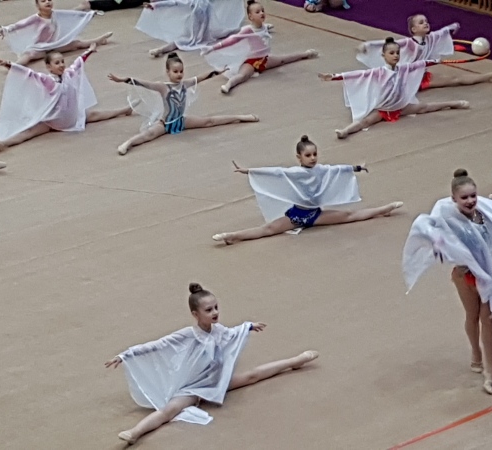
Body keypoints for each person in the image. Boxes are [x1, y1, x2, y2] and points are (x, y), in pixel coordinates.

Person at [106, 282, 318, 444]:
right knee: (169, 411)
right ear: (195, 314)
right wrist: (126, 354)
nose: (215, 313)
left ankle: (296, 361)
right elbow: (158, 345)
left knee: (252, 376)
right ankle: (135, 433)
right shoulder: (187, 334)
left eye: (216, 307)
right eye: (209, 310)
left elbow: (232, 333)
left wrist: (248, 326)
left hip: (216, 380)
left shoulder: (218, 330)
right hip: (193, 387)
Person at [402, 169, 492, 395]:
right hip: (464, 276)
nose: (470, 201)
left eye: (473, 196)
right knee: (472, 317)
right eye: (464, 197)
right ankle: (475, 352)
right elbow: (425, 227)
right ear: (454, 199)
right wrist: (437, 241)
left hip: (488, 276)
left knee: (488, 320)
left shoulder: (486, 209)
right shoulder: (446, 217)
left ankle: (490, 373)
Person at [211, 135, 403, 244]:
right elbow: (275, 172)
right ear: (299, 157)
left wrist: (357, 168)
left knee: (349, 216)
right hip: (296, 216)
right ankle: (231, 236)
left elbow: (337, 169)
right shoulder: (295, 172)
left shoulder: (321, 169)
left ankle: (384, 209)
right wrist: (249, 171)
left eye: (315, 154)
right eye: (308, 155)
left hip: (315, 215)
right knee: (268, 230)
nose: (313, 158)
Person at [0, 44, 133, 152]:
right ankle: (4, 143)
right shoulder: (48, 80)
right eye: (57, 63)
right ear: (49, 67)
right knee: (30, 132)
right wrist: (9, 64)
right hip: (56, 119)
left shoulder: (69, 74)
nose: (61, 65)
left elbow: (79, 62)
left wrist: (89, 51)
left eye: (62, 61)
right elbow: (29, 74)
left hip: (67, 117)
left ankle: (123, 110)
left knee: (95, 114)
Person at [108, 52, 259, 155]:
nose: (179, 74)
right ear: (168, 72)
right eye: (175, 72)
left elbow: (201, 78)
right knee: (149, 134)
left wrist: (217, 72)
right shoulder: (162, 87)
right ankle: (127, 144)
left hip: (181, 120)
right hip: (165, 123)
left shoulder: (185, 84)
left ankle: (241, 117)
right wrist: (123, 80)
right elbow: (142, 83)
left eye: (181, 71)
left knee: (209, 121)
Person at [319, 37, 469, 139]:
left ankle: (454, 103)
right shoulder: (378, 72)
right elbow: (357, 74)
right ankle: (345, 131)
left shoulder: (404, 68)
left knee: (424, 107)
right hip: (384, 107)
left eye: (397, 53)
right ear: (383, 55)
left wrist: (436, 61)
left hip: (399, 105)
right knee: (365, 122)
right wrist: (335, 76)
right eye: (391, 53)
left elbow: (420, 64)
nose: (396, 55)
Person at [356, 15, 492, 90]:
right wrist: (368, 44)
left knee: (456, 80)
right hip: (407, 80)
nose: (426, 23)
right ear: (414, 29)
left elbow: (442, 32)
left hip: (421, 77)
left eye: (426, 21)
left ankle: (488, 76)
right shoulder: (409, 43)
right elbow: (387, 43)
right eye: (421, 23)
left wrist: (452, 26)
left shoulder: (431, 38)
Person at [201, 0, 318, 94]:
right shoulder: (247, 30)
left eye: (262, 11)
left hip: (264, 59)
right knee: (243, 75)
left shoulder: (263, 26)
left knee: (284, 59)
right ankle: (228, 85)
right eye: (257, 12)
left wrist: (267, 27)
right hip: (251, 60)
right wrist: (213, 47)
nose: (262, 13)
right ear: (250, 17)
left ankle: (306, 54)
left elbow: (264, 29)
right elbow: (232, 40)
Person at [0, 0, 113, 66]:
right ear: (38, 5)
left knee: (76, 43)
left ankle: (98, 40)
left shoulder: (57, 13)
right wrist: (5, 29)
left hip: (56, 44)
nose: (47, 2)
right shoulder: (35, 18)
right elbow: (20, 24)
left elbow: (71, 15)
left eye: (49, 0)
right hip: (40, 46)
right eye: (43, 1)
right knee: (28, 55)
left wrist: (90, 14)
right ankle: (13, 65)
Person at [136, 0, 245, 58]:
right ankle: (160, 50)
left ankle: (246, 30)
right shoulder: (192, 1)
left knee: (226, 32)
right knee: (180, 42)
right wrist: (156, 5)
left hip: (207, 30)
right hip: (193, 29)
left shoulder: (208, 3)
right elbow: (174, 2)